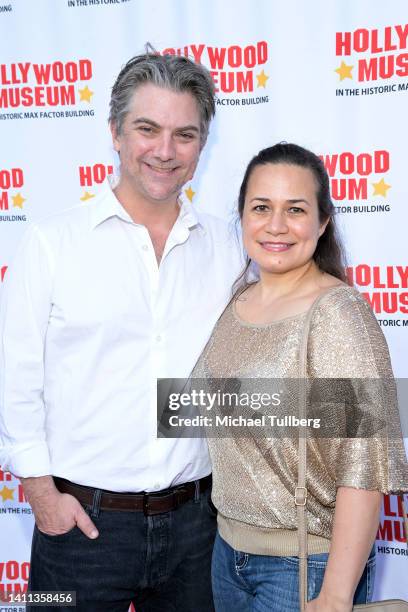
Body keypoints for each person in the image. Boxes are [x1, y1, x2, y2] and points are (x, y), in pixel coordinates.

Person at [0, 50, 243, 611]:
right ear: (114, 132)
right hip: (79, 529)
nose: (165, 151)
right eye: (147, 129)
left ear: (203, 144)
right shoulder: (51, 243)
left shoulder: (230, 247)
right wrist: (42, 497)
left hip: (198, 529)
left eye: (185, 134)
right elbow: (17, 383)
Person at [191, 143, 408, 612]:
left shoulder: (338, 313)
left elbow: (364, 468)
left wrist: (335, 592)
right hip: (226, 554)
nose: (276, 225)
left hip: (303, 568)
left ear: (323, 221)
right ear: (242, 216)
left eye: (295, 209)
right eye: (261, 208)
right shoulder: (237, 302)